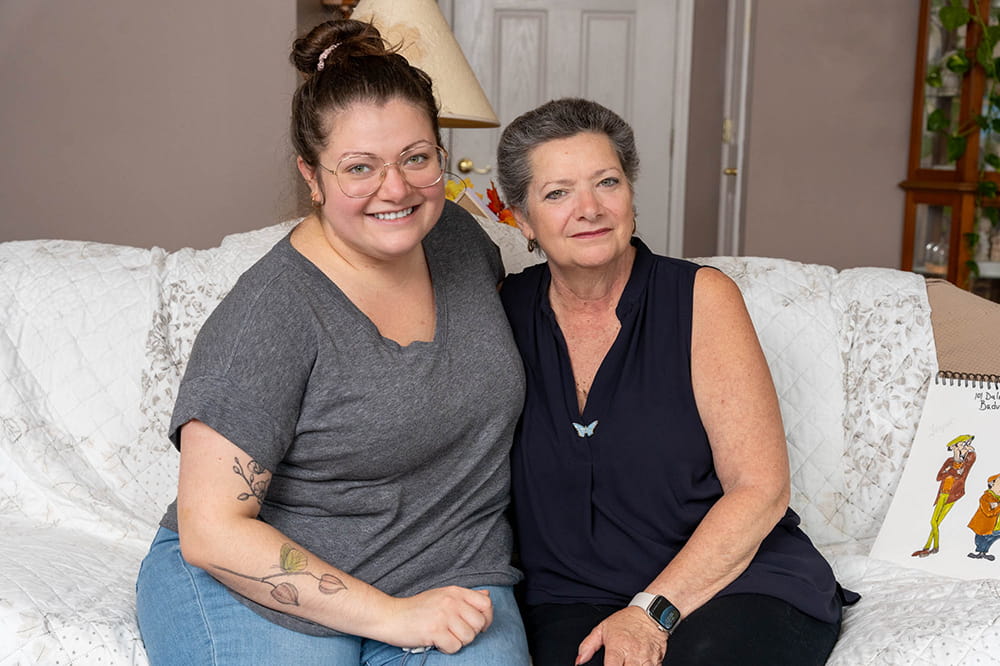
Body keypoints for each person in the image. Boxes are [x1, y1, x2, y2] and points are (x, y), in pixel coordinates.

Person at [135, 19, 531, 665]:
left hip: (449, 570)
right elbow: (212, 532)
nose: (395, 188)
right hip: (259, 583)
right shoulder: (270, 314)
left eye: (417, 157)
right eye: (359, 168)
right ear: (312, 177)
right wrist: (393, 618)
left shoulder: (458, 241)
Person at [496, 98, 857, 666]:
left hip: (731, 583)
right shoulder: (502, 311)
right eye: (558, 193)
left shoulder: (700, 297)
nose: (589, 208)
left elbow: (760, 487)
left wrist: (650, 610)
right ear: (522, 219)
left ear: (632, 197)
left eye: (606, 182)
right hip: (570, 598)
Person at [912, 434, 976, 558]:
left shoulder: (968, 459)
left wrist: (966, 454)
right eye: (963, 444)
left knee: (936, 522)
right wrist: (952, 469)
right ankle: (932, 547)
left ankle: (930, 547)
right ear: (954, 447)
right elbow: (939, 477)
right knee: (934, 521)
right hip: (942, 493)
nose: (966, 447)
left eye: (966, 444)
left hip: (953, 495)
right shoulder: (949, 461)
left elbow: (961, 474)